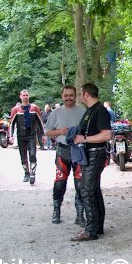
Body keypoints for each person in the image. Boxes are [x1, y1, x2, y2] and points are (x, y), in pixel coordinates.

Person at [70, 83, 112, 242]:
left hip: (95, 154)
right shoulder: (91, 110)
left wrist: (84, 139)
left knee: (86, 190)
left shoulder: (100, 111)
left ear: (86, 94)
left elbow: (107, 135)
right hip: (90, 154)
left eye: (81, 94)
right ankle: (97, 226)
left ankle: (90, 231)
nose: (80, 97)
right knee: (93, 190)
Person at [45, 86, 87, 225]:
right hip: (62, 151)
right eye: (66, 95)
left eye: (71, 95)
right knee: (59, 184)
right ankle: (56, 211)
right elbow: (47, 132)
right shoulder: (56, 113)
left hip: (79, 151)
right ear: (62, 96)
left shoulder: (83, 112)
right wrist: (60, 131)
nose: (69, 98)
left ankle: (80, 215)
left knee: (80, 184)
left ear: (75, 96)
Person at [10, 90, 44, 184]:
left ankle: (33, 173)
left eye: (27, 95)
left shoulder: (34, 108)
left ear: (29, 96)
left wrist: (43, 135)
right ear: (20, 96)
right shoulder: (16, 109)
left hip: (31, 135)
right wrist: (11, 136)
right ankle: (26, 173)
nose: (25, 97)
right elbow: (12, 124)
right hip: (20, 135)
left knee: (32, 154)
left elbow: (40, 122)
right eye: (23, 95)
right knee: (23, 156)